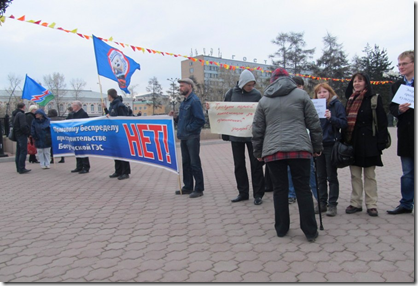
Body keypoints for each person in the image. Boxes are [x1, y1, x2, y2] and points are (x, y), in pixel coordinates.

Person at [252, 68, 323, 242]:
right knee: (303, 189)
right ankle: (310, 231)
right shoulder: (301, 95)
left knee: (280, 189)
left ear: (272, 81)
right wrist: (316, 146)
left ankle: (281, 228)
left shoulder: (264, 101)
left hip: (274, 152)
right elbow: (314, 123)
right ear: (289, 80)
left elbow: (257, 129)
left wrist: (258, 152)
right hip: (300, 149)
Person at [344, 72, 388, 217]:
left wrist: (381, 142)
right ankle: (355, 202)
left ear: (366, 83)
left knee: (369, 175)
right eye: (355, 81)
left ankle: (371, 204)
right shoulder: (350, 100)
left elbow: (382, 122)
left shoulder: (374, 99)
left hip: (370, 142)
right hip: (354, 142)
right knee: (355, 175)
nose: (356, 83)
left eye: (360, 81)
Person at [218, 70, 265, 205]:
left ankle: (258, 194)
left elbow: (261, 113)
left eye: (252, 85)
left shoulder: (256, 94)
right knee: (239, 165)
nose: (251, 87)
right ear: (242, 83)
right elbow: (223, 111)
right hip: (236, 135)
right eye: (249, 85)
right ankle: (243, 192)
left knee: (256, 164)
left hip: (252, 135)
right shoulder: (231, 93)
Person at [313, 83, 347, 216]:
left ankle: (332, 204)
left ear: (330, 93)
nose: (322, 94)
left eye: (324, 92)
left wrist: (331, 118)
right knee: (320, 175)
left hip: (331, 144)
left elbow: (343, 123)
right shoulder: (314, 106)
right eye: (319, 92)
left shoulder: (336, 105)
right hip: (318, 144)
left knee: (331, 176)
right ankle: (322, 203)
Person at [387, 50, 414, 215]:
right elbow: (391, 108)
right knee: (408, 173)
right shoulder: (397, 85)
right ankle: (406, 203)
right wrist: (399, 109)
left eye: (404, 63)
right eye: (399, 64)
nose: (401, 67)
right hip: (405, 133)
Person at [169, 78, 205, 198]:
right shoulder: (184, 101)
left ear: (190, 86)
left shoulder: (194, 101)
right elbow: (182, 119)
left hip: (192, 136)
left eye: (182, 86)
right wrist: (175, 117)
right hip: (184, 136)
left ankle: (199, 188)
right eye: (180, 86)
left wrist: (189, 128)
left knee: (194, 163)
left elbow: (200, 120)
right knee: (186, 162)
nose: (180, 88)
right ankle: (188, 187)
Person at [103, 89, 131, 180]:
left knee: (122, 153)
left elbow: (122, 118)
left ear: (110, 95)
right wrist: (105, 110)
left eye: (108, 95)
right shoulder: (112, 105)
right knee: (116, 153)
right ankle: (118, 170)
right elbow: (111, 116)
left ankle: (125, 172)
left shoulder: (120, 105)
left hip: (120, 133)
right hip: (114, 133)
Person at [69, 101, 91, 174]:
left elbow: (86, 124)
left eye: (73, 106)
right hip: (75, 135)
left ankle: (86, 167)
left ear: (77, 106)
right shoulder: (72, 114)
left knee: (83, 152)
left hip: (82, 135)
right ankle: (79, 166)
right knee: (77, 151)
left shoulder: (83, 114)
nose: (72, 107)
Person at [12, 103, 31, 174]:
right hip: (21, 135)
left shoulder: (15, 114)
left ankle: (18, 167)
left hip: (17, 134)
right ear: (23, 107)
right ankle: (22, 168)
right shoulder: (21, 115)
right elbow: (23, 126)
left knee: (19, 152)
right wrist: (27, 133)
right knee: (23, 151)